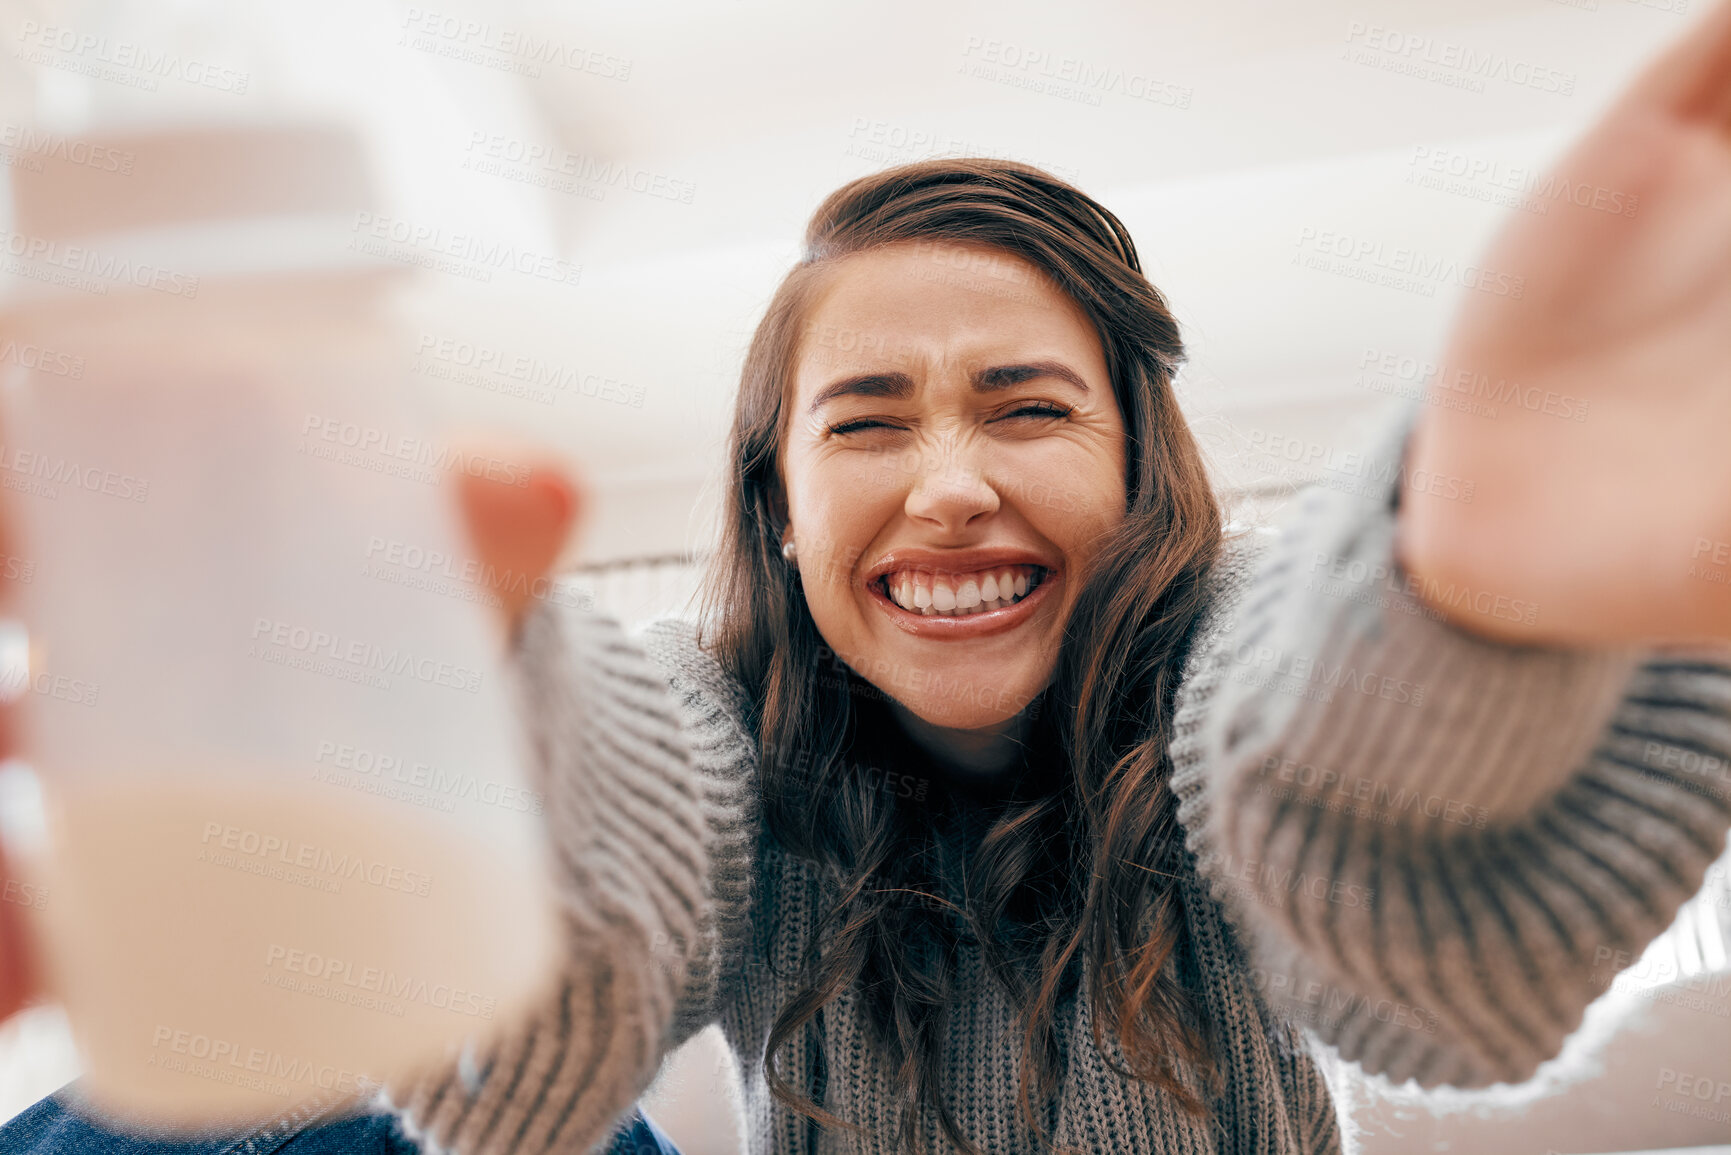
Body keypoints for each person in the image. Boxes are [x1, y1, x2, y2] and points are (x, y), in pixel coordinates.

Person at [5, 4, 1731, 1153]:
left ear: (1140, 467)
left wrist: (1456, 623)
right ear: (777, 501)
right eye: (868, 422)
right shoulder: (726, 723)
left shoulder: (1234, 676)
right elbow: (560, 1010)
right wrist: (468, 733)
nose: (953, 486)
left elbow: (1382, 908)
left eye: (1028, 408)